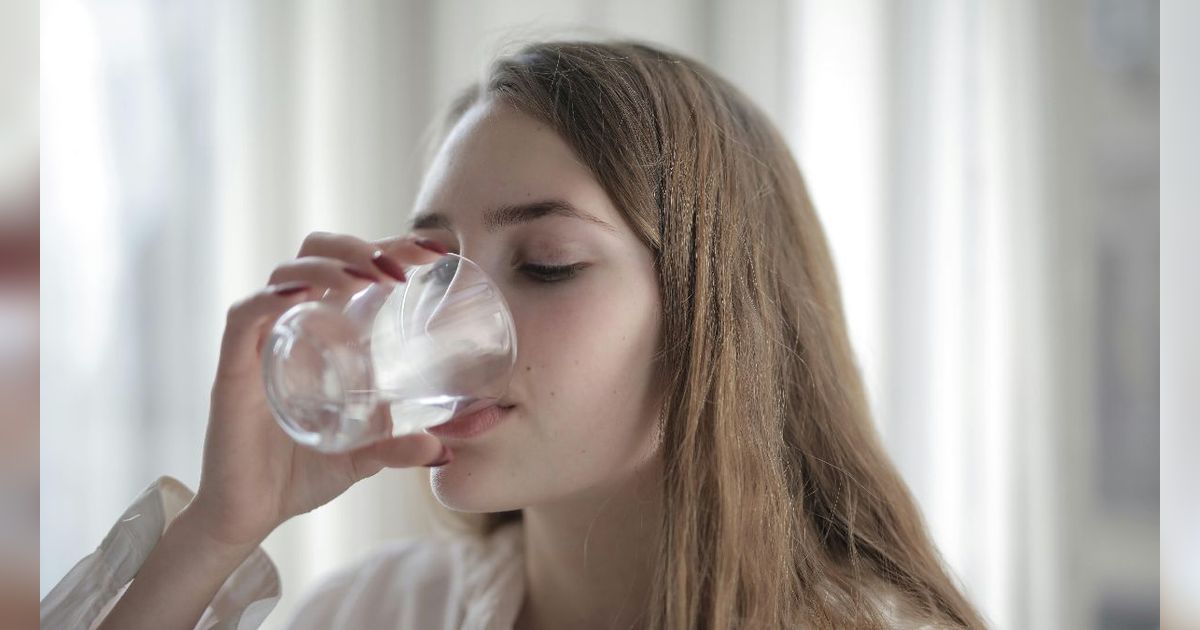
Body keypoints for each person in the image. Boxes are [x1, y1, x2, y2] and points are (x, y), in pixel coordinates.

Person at [41, 39, 986, 629]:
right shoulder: (383, 613)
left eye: (545, 265)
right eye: (430, 265)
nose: (446, 324)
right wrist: (217, 530)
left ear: (715, 316)